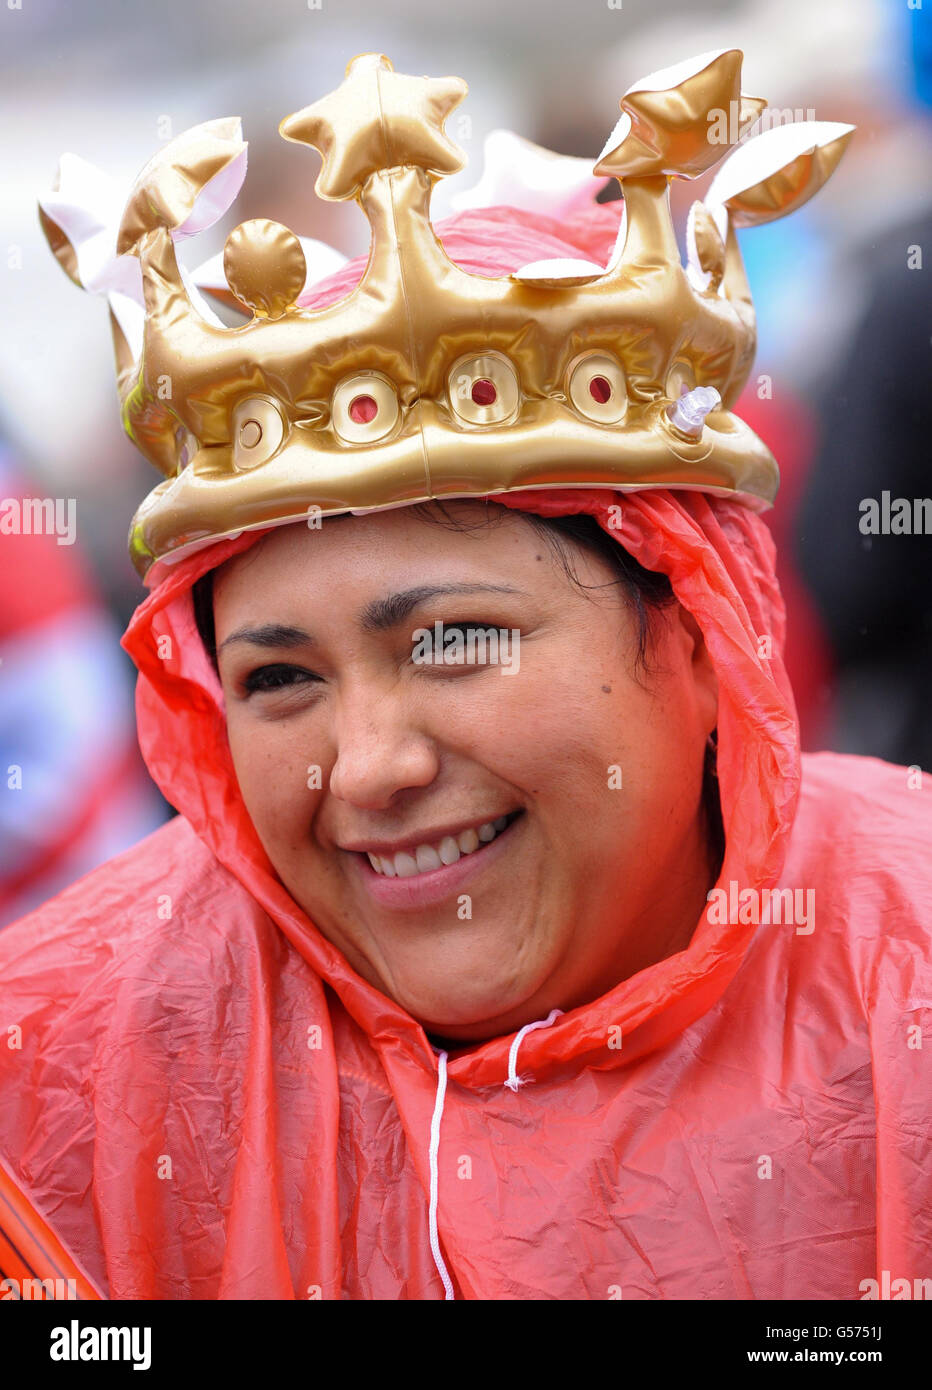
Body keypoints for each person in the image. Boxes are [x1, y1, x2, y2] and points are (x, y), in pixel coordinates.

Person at [1, 48, 929, 1302]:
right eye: (278, 681)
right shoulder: (59, 1058)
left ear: (699, 633)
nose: (372, 766)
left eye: (451, 642)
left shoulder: (905, 962)